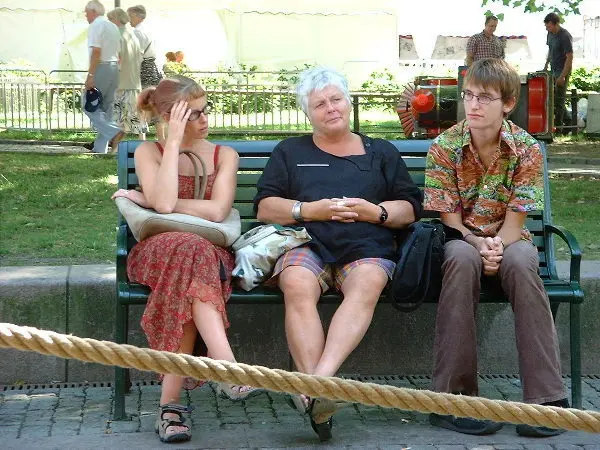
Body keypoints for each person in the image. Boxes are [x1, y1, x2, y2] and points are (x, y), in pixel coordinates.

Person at [254, 66, 422, 441]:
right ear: (307, 113)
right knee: (296, 281)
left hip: (367, 247)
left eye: (336, 99)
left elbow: (410, 208)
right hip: (306, 243)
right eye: (319, 104)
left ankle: (317, 384)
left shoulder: (381, 151)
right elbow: (265, 206)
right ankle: (322, 395)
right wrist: (308, 210)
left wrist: (373, 212)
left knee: (369, 281)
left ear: (348, 101)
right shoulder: (290, 152)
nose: (330, 108)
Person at [111, 76, 263, 444]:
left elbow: (217, 210)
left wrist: (148, 199)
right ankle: (228, 370)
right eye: (192, 115)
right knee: (187, 262)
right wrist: (174, 142)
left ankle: (171, 408)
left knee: (191, 269)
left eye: (205, 110)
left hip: (210, 253)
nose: (204, 120)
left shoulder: (224, 154)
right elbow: (165, 207)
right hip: (156, 253)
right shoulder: (150, 152)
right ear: (170, 117)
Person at [424, 58, 569, 438]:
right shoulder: (445, 146)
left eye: (484, 97)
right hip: (463, 238)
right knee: (458, 260)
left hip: (509, 238)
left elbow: (516, 223)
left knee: (523, 263)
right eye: (468, 95)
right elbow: (450, 220)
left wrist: (496, 248)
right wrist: (477, 243)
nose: (473, 104)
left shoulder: (526, 149)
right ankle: (453, 399)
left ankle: (546, 400)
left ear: (506, 103)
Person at [83, 0, 124, 153]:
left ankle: (114, 131)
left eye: (86, 12)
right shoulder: (113, 26)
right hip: (114, 68)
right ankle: (100, 149)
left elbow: (96, 52)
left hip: (102, 67)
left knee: (88, 105)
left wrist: (91, 75)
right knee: (107, 109)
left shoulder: (95, 25)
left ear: (93, 12)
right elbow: (120, 55)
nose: (86, 15)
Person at [107, 7, 148, 141]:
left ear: (116, 20)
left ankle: (114, 148)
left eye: (110, 19)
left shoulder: (117, 36)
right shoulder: (132, 35)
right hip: (134, 83)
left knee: (118, 119)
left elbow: (115, 61)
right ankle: (141, 144)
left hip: (121, 84)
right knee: (135, 119)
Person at [127, 4, 165, 140]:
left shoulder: (137, 32)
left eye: (130, 16)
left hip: (143, 70)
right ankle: (161, 138)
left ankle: (142, 138)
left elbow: (136, 55)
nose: (128, 19)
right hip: (153, 68)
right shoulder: (148, 30)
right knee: (154, 103)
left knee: (141, 103)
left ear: (137, 16)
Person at [543, 12, 573, 134]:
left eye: (549, 26)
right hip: (553, 69)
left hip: (563, 70)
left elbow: (570, 57)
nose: (547, 28)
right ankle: (569, 122)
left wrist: (562, 76)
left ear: (556, 24)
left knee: (559, 100)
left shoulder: (565, 36)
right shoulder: (549, 34)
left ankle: (559, 129)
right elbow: (550, 50)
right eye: (546, 26)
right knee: (552, 98)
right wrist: (545, 65)